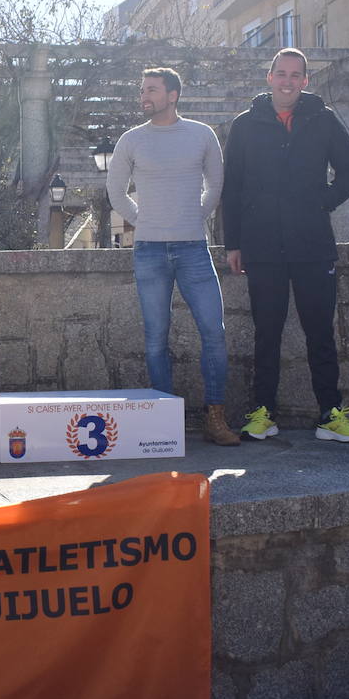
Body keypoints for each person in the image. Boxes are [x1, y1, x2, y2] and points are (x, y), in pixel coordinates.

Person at [221, 48, 349, 444]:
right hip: (261, 246)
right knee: (265, 333)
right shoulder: (245, 125)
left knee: (320, 332)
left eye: (295, 75)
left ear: (305, 81)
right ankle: (263, 414)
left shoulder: (323, 120)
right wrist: (232, 242)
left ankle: (330, 415)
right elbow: (231, 187)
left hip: (312, 244)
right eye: (280, 73)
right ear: (269, 77)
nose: (287, 81)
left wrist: (321, 202)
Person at [108, 67, 239, 447]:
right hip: (148, 250)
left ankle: (216, 419)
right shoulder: (131, 140)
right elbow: (115, 190)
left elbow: (216, 183)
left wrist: (194, 215)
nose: (144, 96)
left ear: (173, 94)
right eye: (142, 90)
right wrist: (141, 219)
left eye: (151, 90)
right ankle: (164, 422)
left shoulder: (201, 134)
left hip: (194, 249)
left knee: (214, 333)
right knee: (155, 338)